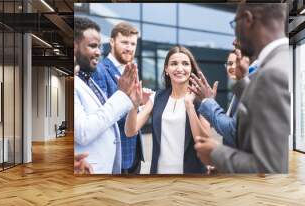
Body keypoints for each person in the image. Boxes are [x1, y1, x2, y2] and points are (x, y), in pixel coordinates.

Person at [193, 2, 290, 173]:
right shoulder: (277, 62)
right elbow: (255, 118)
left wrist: (216, 154)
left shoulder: (272, 72)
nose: (233, 39)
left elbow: (270, 167)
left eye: (234, 25)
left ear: (248, 19)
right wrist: (242, 82)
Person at [124, 46, 211, 174]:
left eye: (185, 64)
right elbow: (130, 131)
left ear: (191, 68)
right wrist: (134, 105)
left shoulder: (201, 100)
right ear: (166, 69)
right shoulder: (157, 98)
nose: (179, 68)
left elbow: (204, 142)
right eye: (174, 64)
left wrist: (189, 106)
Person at [73, 17, 140, 174]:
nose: (98, 52)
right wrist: (124, 96)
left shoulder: (86, 78)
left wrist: (136, 103)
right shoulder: (95, 72)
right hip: (93, 169)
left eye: (133, 44)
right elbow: (84, 131)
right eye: (92, 46)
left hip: (112, 163)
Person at [92, 22, 147, 174]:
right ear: (111, 42)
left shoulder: (130, 69)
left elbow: (132, 105)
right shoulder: (99, 71)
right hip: (116, 155)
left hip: (134, 153)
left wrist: (141, 103)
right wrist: (145, 108)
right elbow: (102, 116)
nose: (129, 47)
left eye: (133, 43)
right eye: (124, 42)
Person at [191, 50, 259, 147]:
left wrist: (208, 102)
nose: (232, 67)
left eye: (237, 62)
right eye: (229, 63)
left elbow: (232, 131)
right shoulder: (237, 92)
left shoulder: (249, 89)